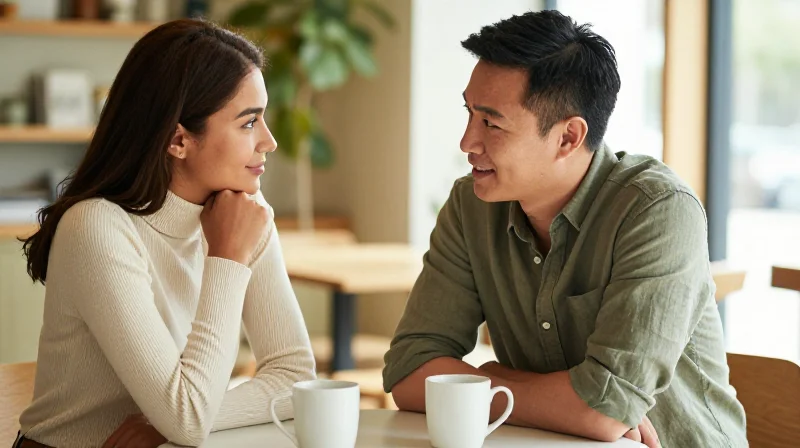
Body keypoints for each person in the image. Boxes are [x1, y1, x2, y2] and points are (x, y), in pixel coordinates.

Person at [383, 10, 747, 448]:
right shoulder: (471, 207)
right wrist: (560, 405)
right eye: (469, 114)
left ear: (569, 137)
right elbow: (408, 370)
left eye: (491, 123)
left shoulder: (657, 211)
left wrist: (487, 382)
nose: (467, 142)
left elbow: (603, 410)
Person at [15, 19, 316, 448]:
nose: (268, 141)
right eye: (249, 123)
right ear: (178, 140)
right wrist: (227, 258)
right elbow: (188, 419)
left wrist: (161, 422)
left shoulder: (244, 214)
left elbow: (295, 376)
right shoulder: (98, 227)